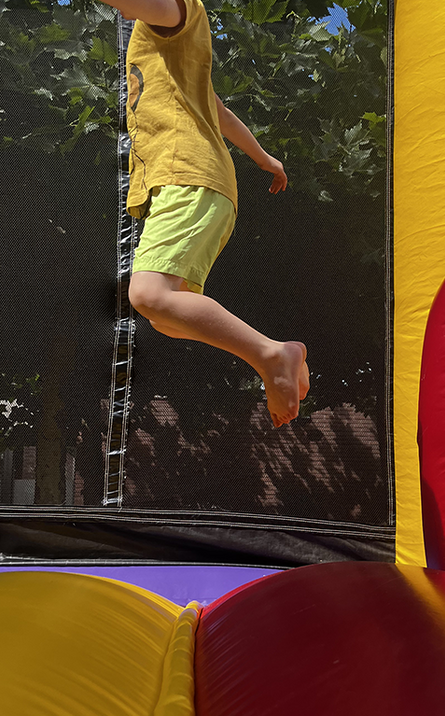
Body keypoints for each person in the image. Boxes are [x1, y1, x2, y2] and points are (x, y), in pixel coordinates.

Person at [99, 0, 309, 428]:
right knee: (166, 318)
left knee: (148, 296)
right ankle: (275, 355)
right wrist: (265, 159)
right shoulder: (171, 53)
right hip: (197, 186)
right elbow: (219, 112)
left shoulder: (175, 15)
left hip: (188, 178)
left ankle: (272, 355)